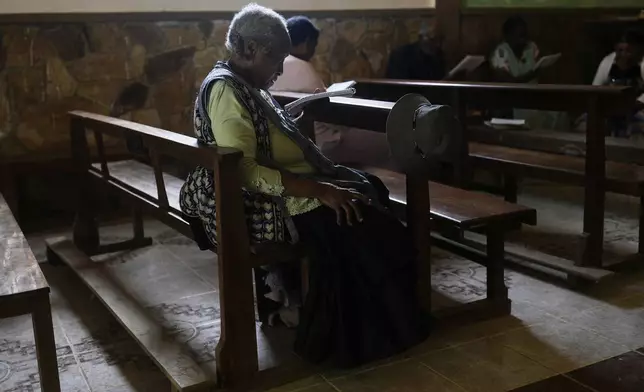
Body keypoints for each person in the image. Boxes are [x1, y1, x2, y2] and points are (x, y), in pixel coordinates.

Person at [179, 4, 429, 368]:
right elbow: (244, 171)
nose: (280, 69)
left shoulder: (243, 80)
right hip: (259, 202)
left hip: (285, 184)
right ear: (249, 49)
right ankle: (345, 338)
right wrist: (323, 191)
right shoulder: (227, 91)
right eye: (275, 58)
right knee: (362, 221)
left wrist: (285, 125)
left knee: (370, 188)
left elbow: (256, 136)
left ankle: (365, 317)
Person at [271, 16, 395, 169]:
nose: (313, 51)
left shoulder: (271, 66)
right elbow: (329, 116)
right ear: (306, 42)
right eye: (313, 45)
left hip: (286, 143)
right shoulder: (302, 67)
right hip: (322, 143)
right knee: (390, 142)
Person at [490, 16, 568, 130]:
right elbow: (509, 82)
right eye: (519, 36)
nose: (523, 40)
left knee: (560, 111)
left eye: (525, 35)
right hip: (514, 100)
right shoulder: (501, 52)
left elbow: (541, 70)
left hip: (534, 95)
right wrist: (532, 74)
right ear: (508, 36)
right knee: (534, 116)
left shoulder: (531, 47)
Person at [591, 29, 644, 138]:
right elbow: (596, 87)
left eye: (628, 51)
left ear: (638, 49)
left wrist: (635, 105)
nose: (624, 54)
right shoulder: (608, 61)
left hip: (637, 109)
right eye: (620, 50)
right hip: (612, 108)